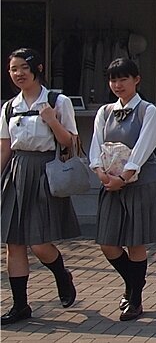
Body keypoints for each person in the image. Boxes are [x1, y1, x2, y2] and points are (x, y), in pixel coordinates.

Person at [0, 48, 80, 325]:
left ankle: (61, 273)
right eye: (13, 69)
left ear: (38, 69)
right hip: (16, 171)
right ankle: (20, 305)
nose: (18, 73)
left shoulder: (58, 101)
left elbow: (70, 142)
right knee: (14, 242)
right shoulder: (10, 106)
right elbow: (4, 148)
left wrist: (51, 120)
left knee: (38, 242)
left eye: (23, 67)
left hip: (45, 171)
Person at [89, 58, 156, 322]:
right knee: (107, 242)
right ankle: (134, 285)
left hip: (141, 183)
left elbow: (145, 147)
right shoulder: (104, 112)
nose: (118, 85)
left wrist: (125, 175)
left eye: (123, 79)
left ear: (137, 80)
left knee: (135, 241)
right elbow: (95, 146)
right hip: (110, 183)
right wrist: (100, 172)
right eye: (113, 80)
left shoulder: (148, 111)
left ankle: (134, 300)